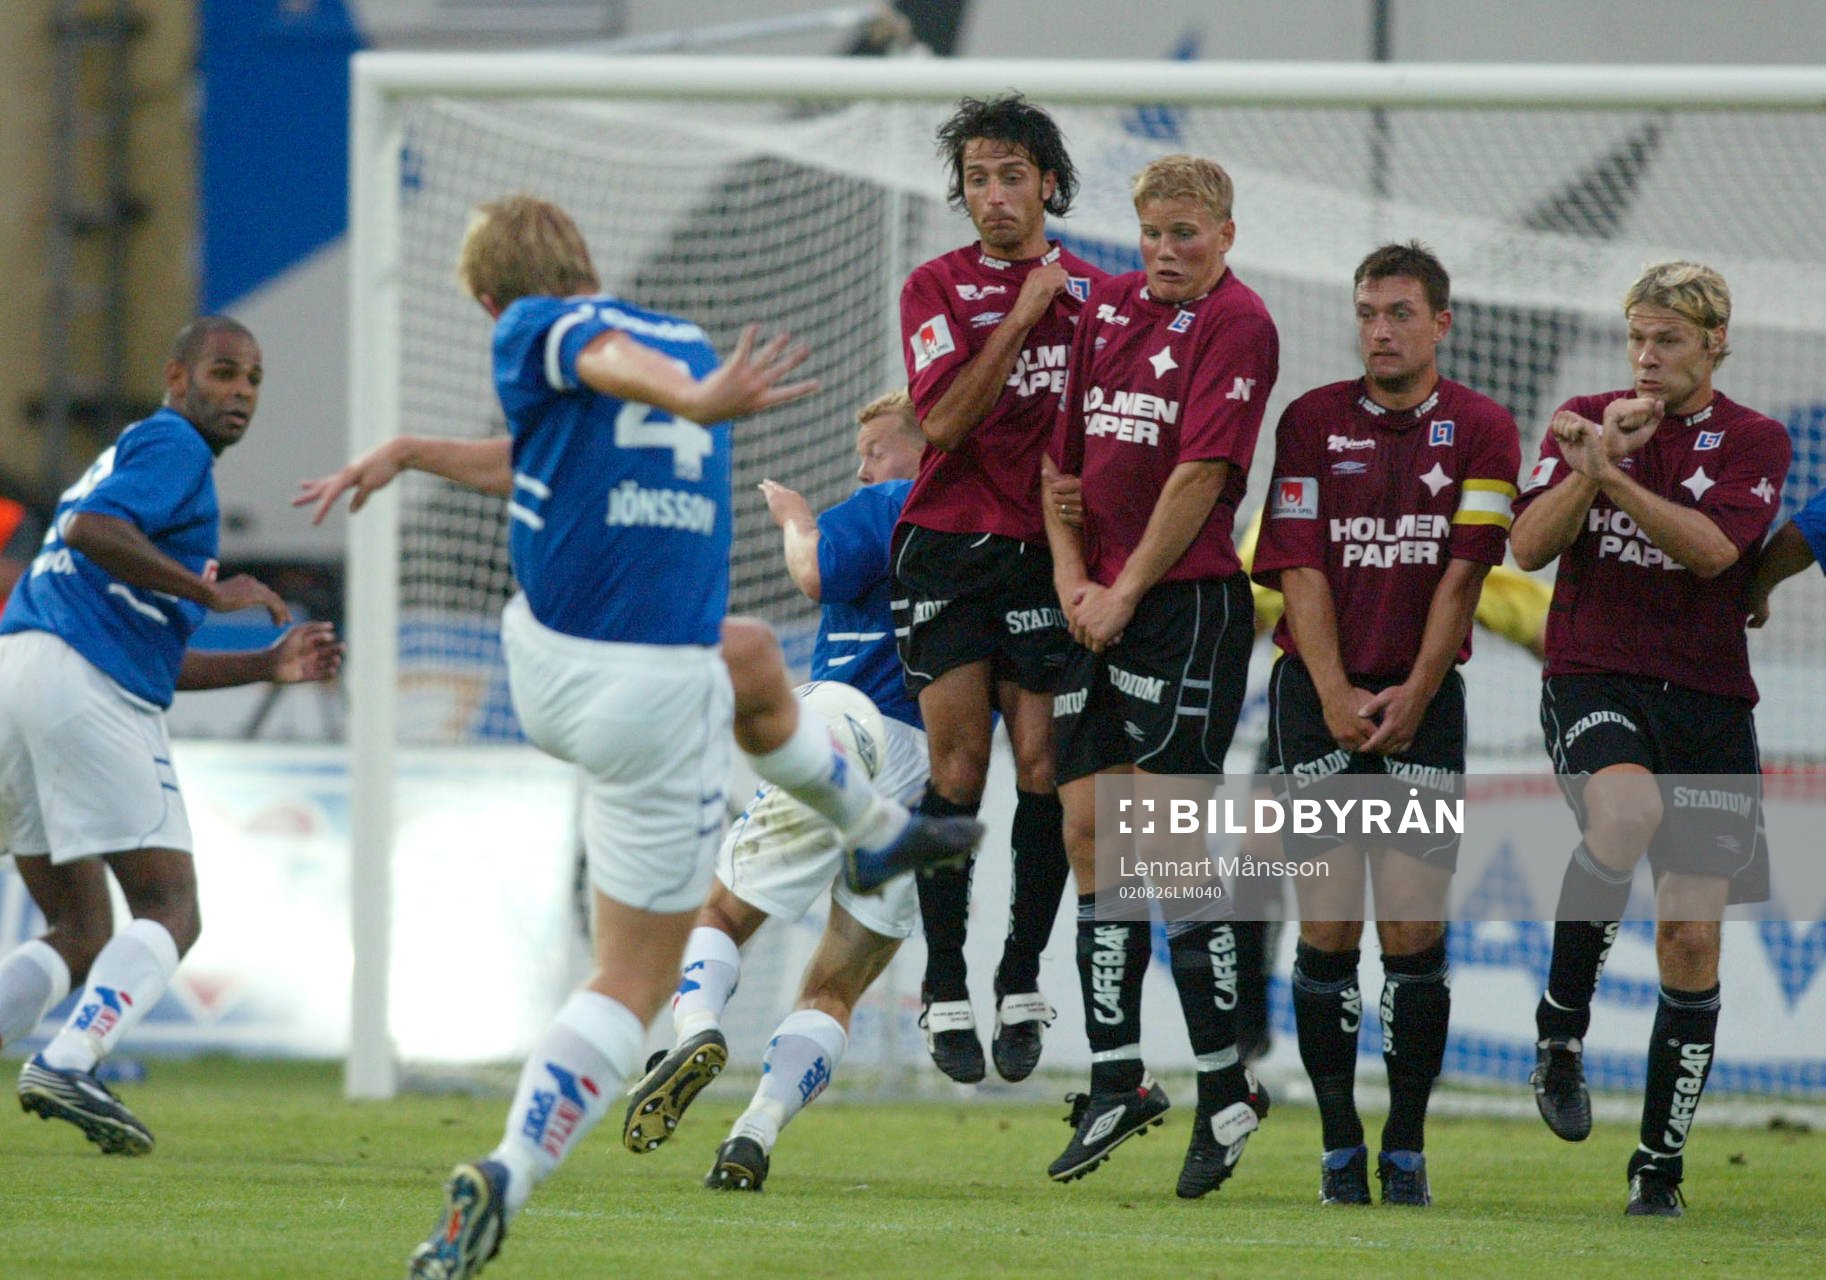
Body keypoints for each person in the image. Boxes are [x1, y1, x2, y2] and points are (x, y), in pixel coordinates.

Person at [295, 196, 979, 1279]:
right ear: (589, 257)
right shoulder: (686, 341)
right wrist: (693, 391)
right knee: (744, 695)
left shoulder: (536, 323)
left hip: (566, 669)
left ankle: (507, 1174)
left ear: (488, 296)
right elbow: (567, 423)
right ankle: (875, 832)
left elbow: (588, 350)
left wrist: (691, 398)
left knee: (753, 663)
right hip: (666, 692)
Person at [0, 317, 343, 1154]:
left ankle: (62, 1051)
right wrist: (209, 589)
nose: (241, 393)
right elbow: (89, 531)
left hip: (19, 670)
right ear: (177, 375)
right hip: (77, 682)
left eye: (255, 380)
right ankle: (71, 1060)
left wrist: (264, 665)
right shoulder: (171, 447)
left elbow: (148, 653)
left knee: (80, 932)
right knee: (171, 909)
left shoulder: (143, 462)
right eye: (224, 372)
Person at [1509, 260, 1789, 1217]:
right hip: (1596, 676)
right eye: (1637, 336)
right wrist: (1591, 466)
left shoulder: (1756, 439)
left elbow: (1715, 553)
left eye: (1667, 339)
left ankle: (1658, 1169)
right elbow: (1530, 546)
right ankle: (1560, 1032)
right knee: (1624, 811)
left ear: (1715, 341)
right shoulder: (1588, 414)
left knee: (1689, 939)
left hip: (1709, 700)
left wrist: (1607, 474)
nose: (1646, 357)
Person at [1252, 242, 1522, 1207]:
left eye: (1400, 312)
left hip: (1426, 697)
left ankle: (1404, 1148)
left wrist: (1416, 688)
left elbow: (1465, 573)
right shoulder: (1312, 420)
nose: (1379, 329)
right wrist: (1330, 692)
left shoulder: (1486, 429)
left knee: (1412, 930)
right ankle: (1336, 1149)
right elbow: (1300, 567)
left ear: (1441, 323)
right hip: (1314, 694)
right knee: (1328, 926)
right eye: (1368, 311)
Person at [621, 391, 930, 1192]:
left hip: (844, 723)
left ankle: (692, 1031)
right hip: (929, 772)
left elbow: (815, 576)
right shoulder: (996, 531)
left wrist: (798, 517)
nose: (864, 467)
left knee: (720, 912)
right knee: (835, 988)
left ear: (921, 447)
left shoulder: (893, 501)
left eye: (877, 448)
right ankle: (755, 1131)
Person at [1042, 154, 1277, 1197]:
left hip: (1180, 609)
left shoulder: (1240, 322)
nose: (1167, 250)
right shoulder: (1104, 309)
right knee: (1086, 828)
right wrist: (1071, 585)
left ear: (1224, 232)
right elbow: (1062, 469)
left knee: (1168, 850)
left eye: (1187, 232)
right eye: (1153, 232)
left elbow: (1201, 473)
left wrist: (1124, 589)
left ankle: (1226, 1082)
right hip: (1092, 608)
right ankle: (1114, 1075)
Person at [893, 94, 1102, 1084]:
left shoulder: (1100, 298)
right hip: (945, 547)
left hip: (1044, 552)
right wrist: (1020, 316)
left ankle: (1019, 973)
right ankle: (942, 983)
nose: (993, 194)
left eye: (1010, 174)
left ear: (1047, 183)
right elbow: (939, 426)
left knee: (1041, 766)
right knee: (958, 764)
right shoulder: (933, 286)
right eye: (976, 177)